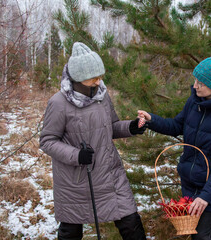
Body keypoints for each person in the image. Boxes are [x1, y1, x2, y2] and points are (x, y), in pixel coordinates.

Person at [40, 42, 147, 240]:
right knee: (70, 233)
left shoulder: (102, 97)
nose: (99, 82)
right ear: (78, 78)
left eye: (100, 76)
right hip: (76, 180)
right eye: (93, 78)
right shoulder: (58, 103)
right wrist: (76, 155)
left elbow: (111, 126)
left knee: (132, 225)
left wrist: (131, 127)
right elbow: (47, 141)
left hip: (110, 175)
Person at [138, 56, 211, 240]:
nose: (195, 86)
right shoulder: (194, 102)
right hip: (190, 182)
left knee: (202, 235)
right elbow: (176, 126)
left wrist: (206, 197)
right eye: (195, 80)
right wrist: (151, 120)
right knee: (195, 235)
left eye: (201, 82)